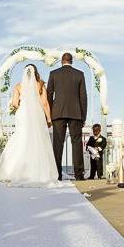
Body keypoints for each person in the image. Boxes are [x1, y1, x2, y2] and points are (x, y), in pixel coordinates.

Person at [0, 64, 62, 187]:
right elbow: (44, 103)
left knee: (21, 138)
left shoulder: (18, 86)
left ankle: (12, 170)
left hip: (22, 114)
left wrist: (20, 104)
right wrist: (49, 118)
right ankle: (37, 171)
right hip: (36, 114)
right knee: (37, 140)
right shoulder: (41, 84)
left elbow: (15, 103)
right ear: (36, 73)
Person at [46, 52, 88, 180]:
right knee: (77, 143)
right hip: (76, 113)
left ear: (61, 61)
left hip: (58, 113)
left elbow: (49, 95)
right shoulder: (79, 74)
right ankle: (79, 174)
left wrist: (52, 111)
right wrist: (83, 116)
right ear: (72, 61)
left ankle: (57, 174)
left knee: (58, 143)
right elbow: (83, 97)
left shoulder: (53, 74)